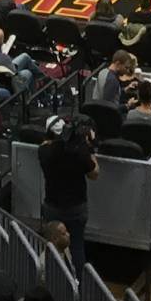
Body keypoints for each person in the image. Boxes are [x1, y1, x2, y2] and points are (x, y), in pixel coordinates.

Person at [36, 116, 96, 279]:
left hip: (53, 205)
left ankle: (51, 279)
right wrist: (88, 147)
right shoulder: (78, 151)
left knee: (52, 246)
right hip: (76, 206)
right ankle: (79, 285)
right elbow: (94, 173)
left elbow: (45, 145)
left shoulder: (44, 152)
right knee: (77, 246)